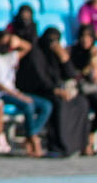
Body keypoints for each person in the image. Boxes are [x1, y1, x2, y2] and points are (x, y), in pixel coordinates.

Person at [17, 26, 89, 156]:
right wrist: (55, 91)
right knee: (59, 105)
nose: (52, 44)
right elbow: (39, 80)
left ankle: (79, 145)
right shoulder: (36, 54)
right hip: (40, 91)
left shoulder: (57, 54)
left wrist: (64, 59)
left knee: (82, 102)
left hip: (57, 90)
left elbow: (70, 75)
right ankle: (58, 146)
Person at [0, 30, 48, 157]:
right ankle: (33, 139)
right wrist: (18, 95)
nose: (6, 45)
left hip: (13, 93)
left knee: (46, 106)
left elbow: (28, 47)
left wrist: (16, 40)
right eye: (3, 42)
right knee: (28, 106)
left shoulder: (11, 56)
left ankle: (31, 134)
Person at [68, 24, 97, 154]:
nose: (85, 39)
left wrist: (92, 60)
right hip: (75, 89)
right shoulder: (71, 51)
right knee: (83, 106)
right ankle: (85, 144)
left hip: (90, 88)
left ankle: (91, 133)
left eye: (88, 36)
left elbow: (95, 79)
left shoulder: (96, 55)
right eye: (83, 36)